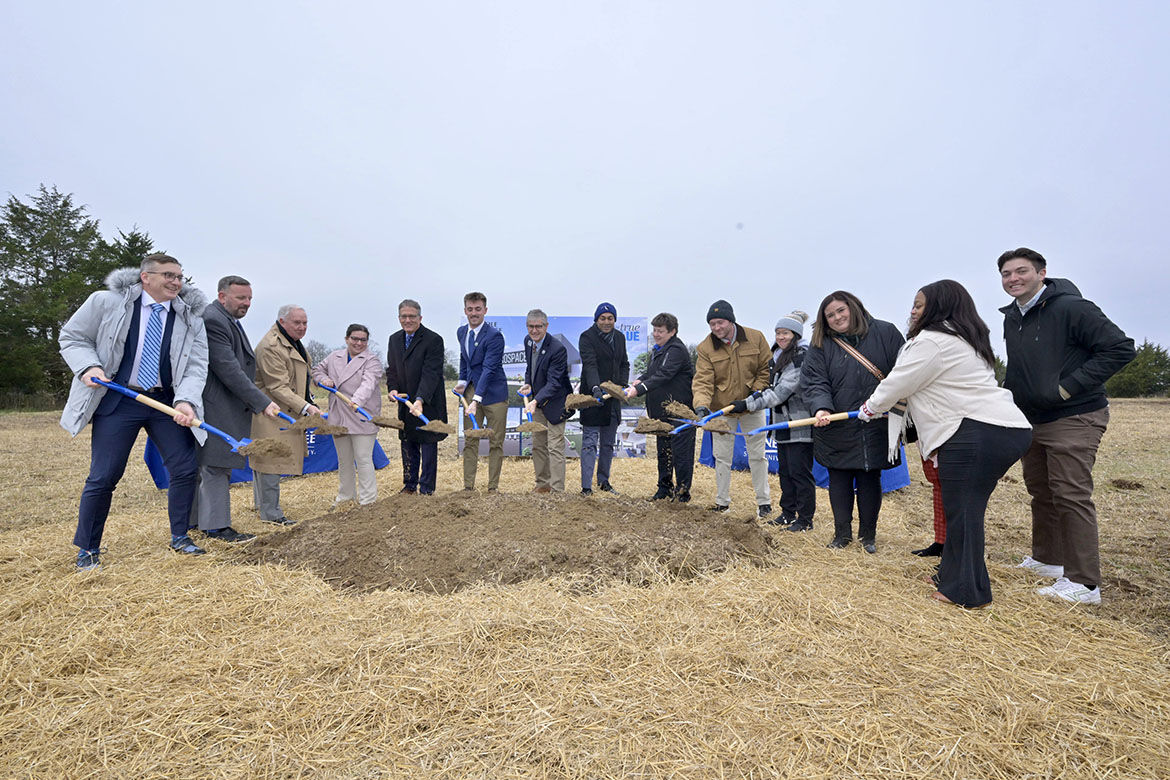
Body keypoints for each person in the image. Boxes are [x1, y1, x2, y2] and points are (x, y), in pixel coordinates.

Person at [861, 280, 1032, 607]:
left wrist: (871, 407)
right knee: (960, 511)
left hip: (975, 431)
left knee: (964, 513)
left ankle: (967, 592)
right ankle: (950, 575)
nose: (912, 311)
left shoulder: (933, 341)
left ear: (939, 308)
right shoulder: (964, 339)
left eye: (919, 305)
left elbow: (899, 381)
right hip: (996, 429)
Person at [998, 247, 1135, 605]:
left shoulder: (1073, 308)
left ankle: (1085, 584)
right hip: (1032, 419)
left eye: (1021, 271)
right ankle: (1048, 560)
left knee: (1071, 495)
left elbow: (1120, 348)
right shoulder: (1012, 317)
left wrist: (1066, 387)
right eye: (1006, 274)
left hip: (1074, 415)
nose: (1013, 279)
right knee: (1041, 491)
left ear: (1042, 273)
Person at [59, 253, 209, 569]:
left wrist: (185, 400)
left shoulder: (189, 318)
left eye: (180, 276)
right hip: (118, 401)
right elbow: (73, 337)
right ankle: (88, 548)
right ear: (145, 276)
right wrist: (89, 366)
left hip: (165, 402)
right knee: (104, 476)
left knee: (184, 468)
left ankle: (180, 536)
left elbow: (196, 365)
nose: (176, 282)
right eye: (169, 275)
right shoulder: (105, 302)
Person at [802, 290, 904, 553]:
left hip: (876, 420)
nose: (837, 318)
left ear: (854, 307)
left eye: (841, 311)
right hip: (837, 422)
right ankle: (842, 534)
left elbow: (903, 372)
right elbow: (814, 381)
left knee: (870, 477)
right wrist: (821, 407)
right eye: (830, 315)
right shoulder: (820, 344)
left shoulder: (885, 333)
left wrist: (888, 403)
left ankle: (868, 536)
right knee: (839, 478)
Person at [193, 276, 280, 543]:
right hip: (216, 406)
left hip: (223, 404)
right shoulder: (214, 320)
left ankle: (197, 521)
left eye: (250, 298)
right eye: (241, 298)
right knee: (216, 465)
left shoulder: (228, 320)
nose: (247, 303)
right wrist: (262, 401)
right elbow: (228, 369)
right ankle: (217, 527)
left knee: (211, 466)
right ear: (222, 296)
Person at [735, 311, 815, 532]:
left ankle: (805, 519)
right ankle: (788, 513)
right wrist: (750, 398)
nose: (780, 337)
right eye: (778, 333)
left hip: (799, 424)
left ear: (796, 335)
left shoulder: (801, 358)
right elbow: (770, 388)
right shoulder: (780, 356)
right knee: (786, 472)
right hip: (782, 424)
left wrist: (748, 405)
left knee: (800, 474)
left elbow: (781, 392)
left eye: (785, 333)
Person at [692, 300, 773, 518]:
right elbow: (703, 381)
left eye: (720, 323)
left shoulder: (756, 338)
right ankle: (722, 503)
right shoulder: (705, 348)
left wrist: (751, 397)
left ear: (731, 320)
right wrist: (701, 405)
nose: (716, 328)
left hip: (752, 408)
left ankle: (764, 503)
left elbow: (765, 371)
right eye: (712, 324)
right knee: (722, 457)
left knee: (757, 455)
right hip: (723, 411)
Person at [251, 304, 323, 525]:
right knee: (271, 461)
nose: (302, 327)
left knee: (267, 462)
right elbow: (277, 387)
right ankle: (272, 515)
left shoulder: (293, 342)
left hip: (286, 410)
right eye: (297, 323)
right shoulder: (271, 346)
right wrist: (307, 407)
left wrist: (308, 398)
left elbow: (301, 376)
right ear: (282, 322)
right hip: (273, 412)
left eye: (305, 323)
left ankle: (262, 506)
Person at [625, 312, 695, 502]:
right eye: (654, 330)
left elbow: (664, 374)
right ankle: (664, 488)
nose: (656, 334)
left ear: (672, 332)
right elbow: (652, 373)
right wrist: (640, 379)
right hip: (661, 412)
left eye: (660, 331)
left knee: (681, 454)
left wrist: (639, 389)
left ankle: (682, 492)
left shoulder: (677, 350)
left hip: (679, 411)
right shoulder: (659, 350)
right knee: (664, 451)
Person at [313, 324, 384, 507]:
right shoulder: (334, 357)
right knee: (344, 460)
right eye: (354, 339)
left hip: (361, 414)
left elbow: (369, 383)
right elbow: (316, 371)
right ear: (347, 339)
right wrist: (323, 380)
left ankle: (368, 501)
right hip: (339, 416)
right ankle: (345, 497)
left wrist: (357, 401)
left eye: (363, 340)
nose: (359, 343)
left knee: (363, 458)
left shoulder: (372, 360)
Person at [385, 299, 448, 495]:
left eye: (412, 316)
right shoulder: (394, 339)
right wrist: (393, 389)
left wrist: (420, 399)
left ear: (420, 318)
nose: (408, 320)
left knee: (428, 444)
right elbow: (392, 370)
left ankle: (427, 488)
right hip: (406, 402)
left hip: (427, 401)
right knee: (408, 441)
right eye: (404, 316)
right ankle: (410, 484)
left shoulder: (433, 340)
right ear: (399, 318)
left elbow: (431, 373)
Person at [455, 292, 507, 492]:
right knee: (470, 439)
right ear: (465, 310)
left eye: (478, 309)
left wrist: (477, 398)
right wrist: (462, 382)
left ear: (485, 310)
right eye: (470, 309)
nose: (474, 313)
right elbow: (464, 359)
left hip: (494, 396)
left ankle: (492, 488)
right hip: (470, 393)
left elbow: (489, 369)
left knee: (495, 442)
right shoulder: (461, 332)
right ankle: (468, 488)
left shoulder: (494, 336)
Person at [578, 302, 630, 495]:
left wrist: (622, 385)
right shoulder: (587, 337)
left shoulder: (619, 337)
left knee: (608, 443)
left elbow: (624, 363)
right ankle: (586, 487)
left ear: (614, 320)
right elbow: (589, 364)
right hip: (593, 398)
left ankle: (604, 481)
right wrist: (595, 388)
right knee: (590, 442)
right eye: (603, 318)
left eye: (610, 318)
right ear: (596, 319)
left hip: (613, 399)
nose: (606, 322)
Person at [519, 308, 571, 493]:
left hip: (556, 403)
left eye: (538, 327)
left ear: (546, 326)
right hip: (537, 403)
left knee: (555, 447)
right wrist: (528, 384)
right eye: (530, 327)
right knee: (538, 445)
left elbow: (554, 382)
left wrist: (535, 401)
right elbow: (530, 367)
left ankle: (557, 490)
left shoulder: (558, 349)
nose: (534, 331)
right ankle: (542, 485)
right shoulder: (528, 341)